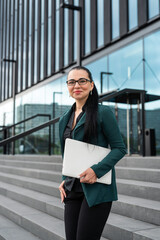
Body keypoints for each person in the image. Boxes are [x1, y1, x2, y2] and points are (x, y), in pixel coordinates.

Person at [59, 66, 126, 240]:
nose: (77, 85)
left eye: (82, 81)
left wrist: (96, 170)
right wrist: (63, 180)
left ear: (91, 85)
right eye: (72, 82)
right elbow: (66, 155)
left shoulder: (103, 112)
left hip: (97, 189)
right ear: (67, 86)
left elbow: (120, 148)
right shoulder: (63, 119)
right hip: (72, 188)